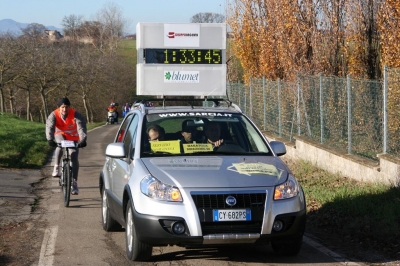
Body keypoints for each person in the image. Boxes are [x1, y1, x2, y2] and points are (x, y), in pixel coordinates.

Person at [46, 97, 87, 195]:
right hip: (60, 134)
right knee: (60, 145)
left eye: (67, 107)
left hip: (73, 136)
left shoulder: (76, 115)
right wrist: (50, 139)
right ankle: (56, 167)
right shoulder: (54, 115)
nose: (65, 109)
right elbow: (49, 127)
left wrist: (83, 140)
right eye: (62, 107)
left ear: (70, 107)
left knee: (74, 156)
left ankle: (74, 183)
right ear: (59, 107)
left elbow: (81, 128)